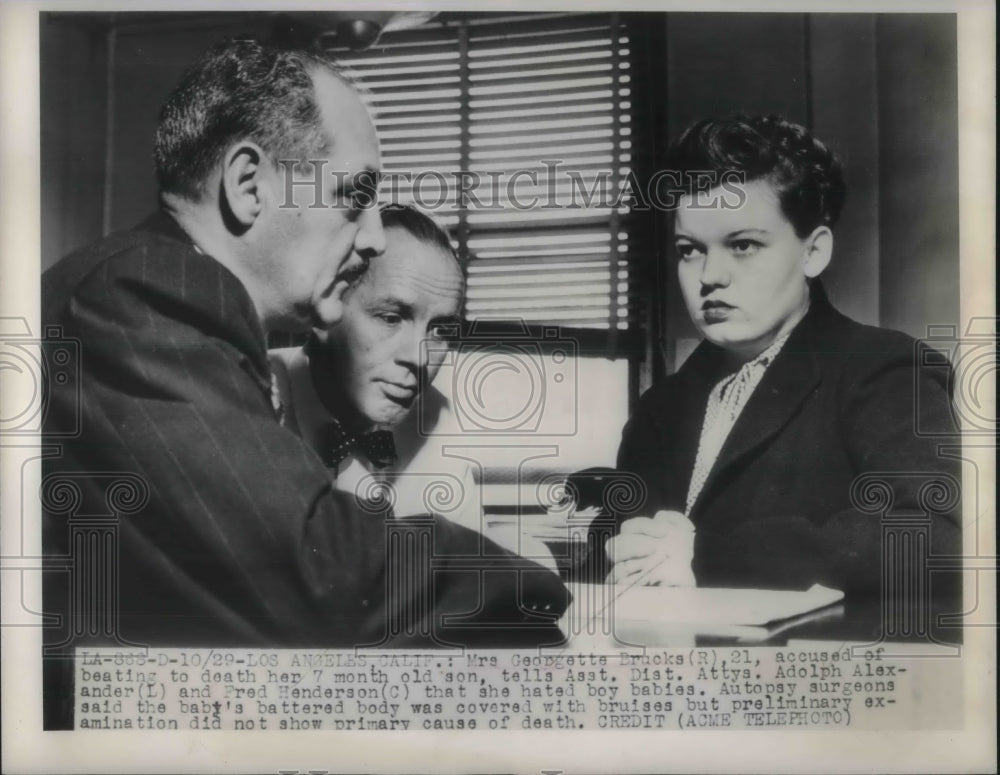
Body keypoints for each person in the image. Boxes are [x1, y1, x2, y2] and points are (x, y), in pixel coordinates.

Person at [41, 38, 567, 727]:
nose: (375, 237)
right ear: (249, 185)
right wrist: (535, 578)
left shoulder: (181, 303)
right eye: (356, 198)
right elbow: (324, 580)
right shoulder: (143, 292)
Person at [607, 115, 961, 609]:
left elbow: (932, 537)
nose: (710, 276)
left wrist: (707, 556)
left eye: (743, 245)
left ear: (813, 253)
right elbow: (622, 550)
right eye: (690, 250)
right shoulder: (658, 408)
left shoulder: (886, 371)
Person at [269, 204, 557, 568]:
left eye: (440, 331)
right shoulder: (251, 395)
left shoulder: (433, 416)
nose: (420, 359)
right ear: (324, 315)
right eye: (391, 318)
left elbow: (466, 575)